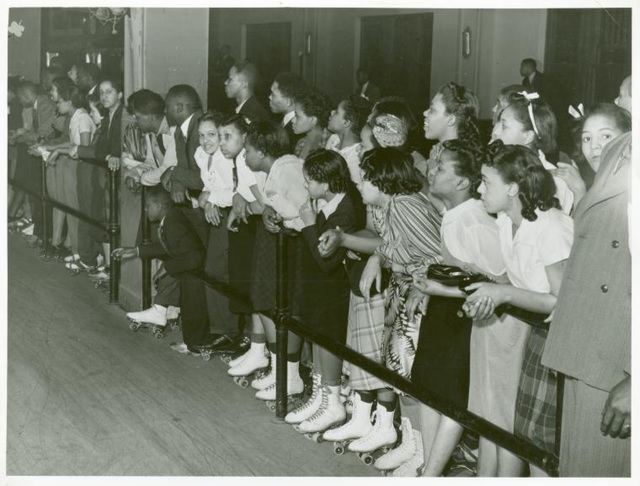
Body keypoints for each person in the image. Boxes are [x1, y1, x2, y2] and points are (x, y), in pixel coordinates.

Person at [464, 142, 574, 477]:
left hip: (557, 341)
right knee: (519, 430)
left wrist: (502, 293)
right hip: (531, 333)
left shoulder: (550, 227)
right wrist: (486, 290)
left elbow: (562, 302)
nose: (479, 189)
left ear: (512, 188)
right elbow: (516, 283)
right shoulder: (503, 221)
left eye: (486, 181)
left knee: (539, 441)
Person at [540, 78, 631, 477]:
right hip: (586, 346)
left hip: (615, 360)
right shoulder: (610, 177)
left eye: (606, 136)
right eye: (589, 138)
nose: (595, 147)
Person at [350, 148, 442, 475]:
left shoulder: (404, 206)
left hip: (418, 295)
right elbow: (393, 247)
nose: (358, 185)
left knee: (410, 372)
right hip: (400, 291)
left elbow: (441, 251)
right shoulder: (386, 207)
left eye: (363, 179)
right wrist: (378, 258)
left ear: (382, 180)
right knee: (399, 371)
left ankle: (420, 452)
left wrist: (422, 284)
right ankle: (409, 441)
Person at [285, 149, 365, 433]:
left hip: (335, 288)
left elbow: (326, 260)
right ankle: (320, 396)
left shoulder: (346, 209)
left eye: (309, 180)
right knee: (318, 335)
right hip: (319, 287)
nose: (305, 185)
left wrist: (307, 224)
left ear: (327, 183)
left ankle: (332, 403)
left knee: (327, 337)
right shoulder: (330, 200)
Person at [245, 120, 309, 402]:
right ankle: (280, 369)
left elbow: (306, 211)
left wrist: (283, 218)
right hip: (282, 241)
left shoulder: (288, 169)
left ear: (261, 151)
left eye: (247, 151)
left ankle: (290, 376)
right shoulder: (276, 169)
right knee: (269, 300)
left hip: (296, 246)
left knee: (288, 305)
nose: (244, 157)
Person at [112, 187, 216, 354]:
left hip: (196, 271)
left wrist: (167, 267)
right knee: (190, 307)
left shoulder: (172, 223)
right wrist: (136, 250)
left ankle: (195, 345)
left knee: (193, 307)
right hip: (190, 268)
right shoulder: (170, 218)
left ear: (159, 206)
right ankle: (191, 343)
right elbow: (168, 246)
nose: (145, 210)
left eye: (148, 206)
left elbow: (195, 256)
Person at [39, 78, 97, 266]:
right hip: (74, 165)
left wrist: (57, 150)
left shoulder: (82, 118)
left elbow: (84, 147)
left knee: (75, 209)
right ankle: (75, 249)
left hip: (82, 168)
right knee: (70, 207)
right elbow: (72, 143)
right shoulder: (75, 117)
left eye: (59, 102)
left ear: (69, 102)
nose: (57, 105)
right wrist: (50, 146)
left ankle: (79, 251)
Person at [491, 92, 574, 214]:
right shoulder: (502, 165)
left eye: (504, 126)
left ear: (527, 136)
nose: (496, 133)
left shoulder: (554, 181)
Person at [73, 77, 125, 272]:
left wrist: (110, 155)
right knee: (104, 220)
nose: (104, 96)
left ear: (120, 94)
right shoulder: (109, 117)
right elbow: (103, 150)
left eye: (109, 91)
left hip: (116, 181)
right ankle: (110, 269)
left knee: (111, 220)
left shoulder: (123, 116)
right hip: (105, 179)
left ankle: (114, 272)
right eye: (102, 93)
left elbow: (113, 150)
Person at [552, 103, 631, 206]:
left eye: (605, 136)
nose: (593, 145)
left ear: (627, 138)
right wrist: (578, 189)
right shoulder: (601, 188)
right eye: (587, 138)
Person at [14, 80, 57, 247]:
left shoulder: (45, 105)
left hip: (49, 158)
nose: (19, 102)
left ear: (28, 95)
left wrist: (18, 137)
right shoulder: (35, 107)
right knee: (38, 195)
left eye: (20, 98)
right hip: (41, 156)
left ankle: (44, 235)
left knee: (42, 196)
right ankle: (40, 233)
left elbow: (41, 135)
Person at [163, 84, 205, 206]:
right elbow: (183, 167)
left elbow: (204, 179)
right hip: (195, 201)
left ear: (179, 108)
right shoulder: (179, 132)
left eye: (167, 106)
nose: (165, 111)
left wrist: (172, 172)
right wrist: (177, 184)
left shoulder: (203, 130)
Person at [325, 94, 371, 184]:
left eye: (337, 112)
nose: (331, 112)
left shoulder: (357, 157)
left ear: (346, 122)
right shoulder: (333, 140)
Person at [268, 72, 308, 152]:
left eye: (273, 94)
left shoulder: (296, 132)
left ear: (288, 102)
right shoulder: (280, 120)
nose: (269, 97)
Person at [292, 88, 332, 160]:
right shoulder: (301, 143)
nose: (293, 120)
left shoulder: (331, 142)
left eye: (297, 116)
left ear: (313, 120)